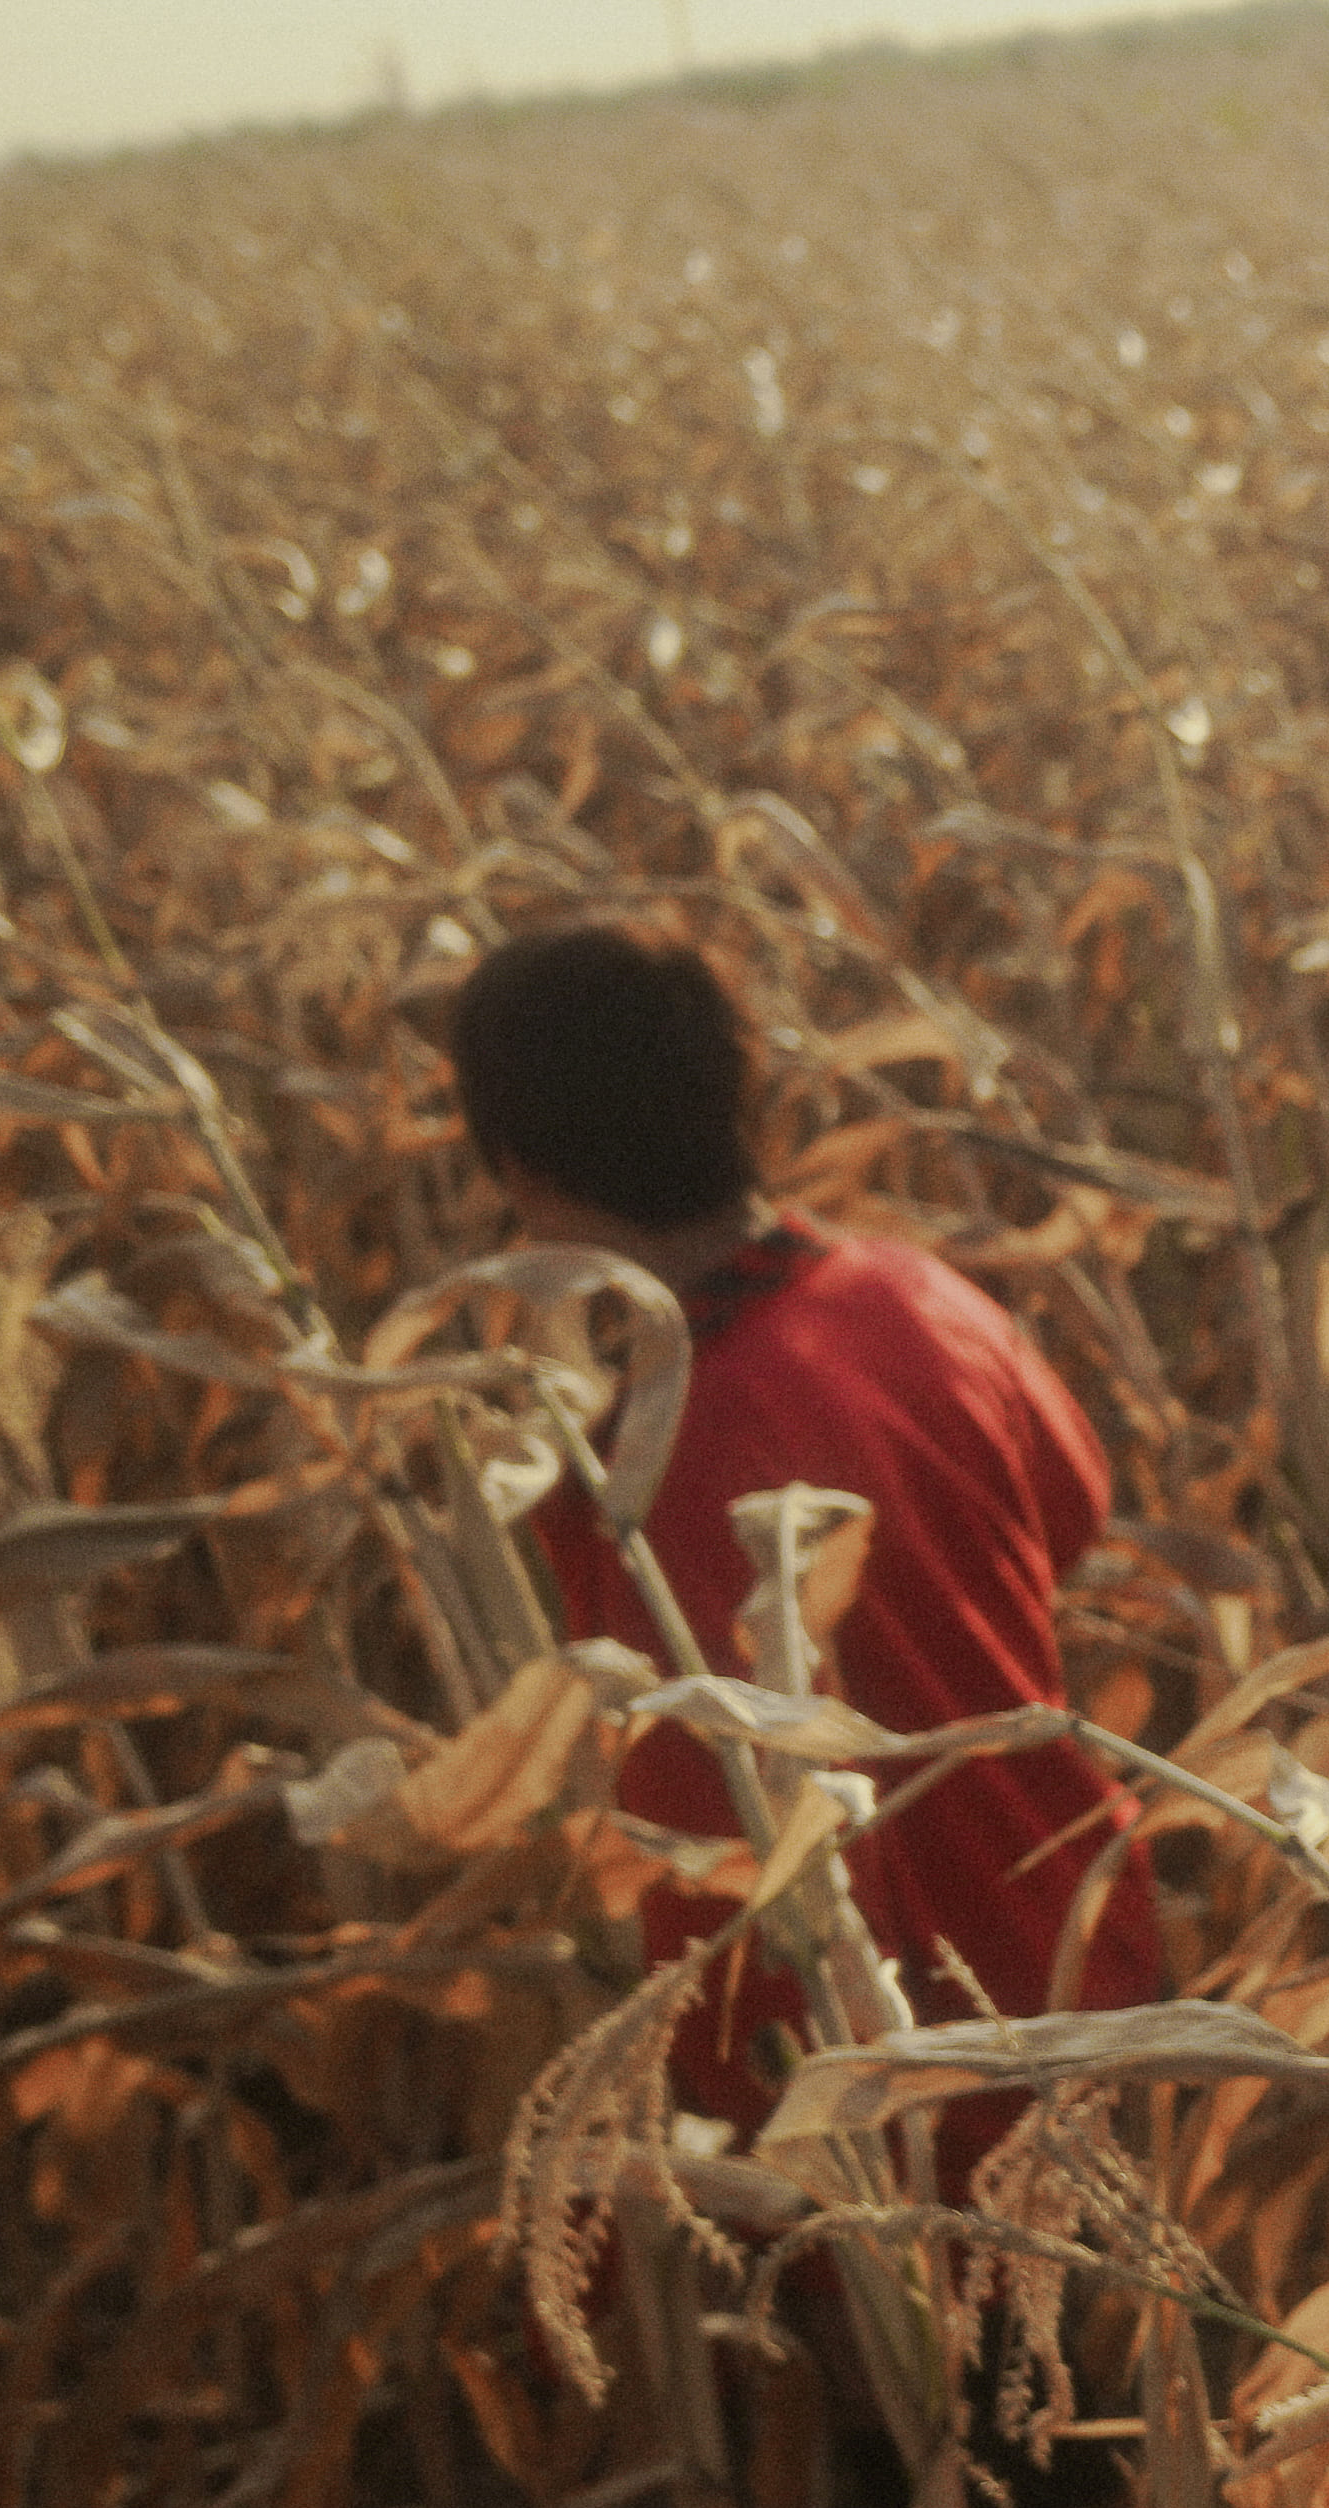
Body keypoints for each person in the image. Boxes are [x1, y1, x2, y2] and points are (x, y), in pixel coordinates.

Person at [444, 926, 1164, 2162]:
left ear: (522, 1173)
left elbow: (703, 1853)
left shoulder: (652, 1480)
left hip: (888, 2096)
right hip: (1088, 1965)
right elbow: (1075, 1513)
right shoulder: (921, 1298)